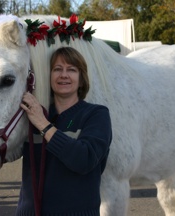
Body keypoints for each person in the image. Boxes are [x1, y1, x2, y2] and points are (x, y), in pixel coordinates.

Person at [16, 47, 112, 216]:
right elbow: (9, 152)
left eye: (72, 70)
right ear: (49, 77)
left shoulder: (96, 114)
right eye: (57, 69)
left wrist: (43, 125)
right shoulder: (36, 113)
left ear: (81, 80)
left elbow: (85, 159)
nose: (64, 75)